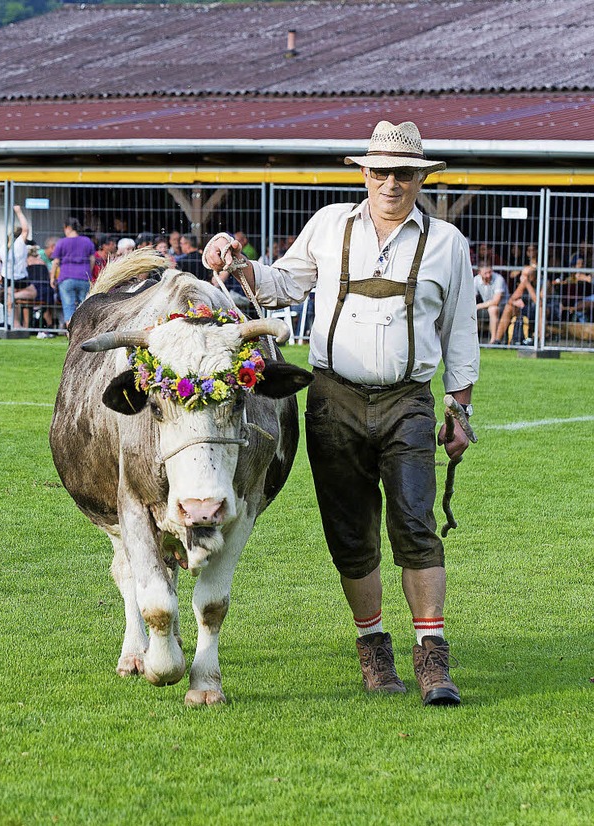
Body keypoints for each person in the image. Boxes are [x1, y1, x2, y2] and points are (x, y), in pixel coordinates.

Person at [203, 120, 479, 706]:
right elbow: (282, 284)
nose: (391, 183)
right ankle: (374, 647)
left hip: (409, 401)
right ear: (364, 173)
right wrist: (240, 260)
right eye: (380, 171)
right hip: (333, 399)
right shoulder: (330, 226)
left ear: (420, 178)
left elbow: (459, 328)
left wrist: (459, 406)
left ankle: (433, 658)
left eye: (403, 173)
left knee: (415, 524)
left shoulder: (447, 243)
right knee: (351, 534)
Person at [50, 217, 95, 328]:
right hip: (84, 276)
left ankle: (70, 333)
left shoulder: (61, 242)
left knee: (68, 306)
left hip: (66, 277)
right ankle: (84, 331)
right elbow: (92, 259)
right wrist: (88, 272)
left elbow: (55, 262)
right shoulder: (87, 241)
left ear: (68, 228)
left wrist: (52, 278)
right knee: (84, 306)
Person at [0, 204, 31, 326]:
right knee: (33, 293)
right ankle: (17, 323)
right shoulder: (19, 243)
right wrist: (19, 212)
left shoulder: (4, 246)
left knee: (12, 300)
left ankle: (16, 324)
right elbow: (26, 229)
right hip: (18, 277)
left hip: (8, 277)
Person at [494, 265, 537, 345]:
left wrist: (527, 284)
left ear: (533, 276)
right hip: (524, 309)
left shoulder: (542, 283)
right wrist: (515, 303)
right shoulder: (522, 284)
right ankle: (497, 340)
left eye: (526, 275)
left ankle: (539, 340)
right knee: (509, 307)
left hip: (538, 311)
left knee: (540, 310)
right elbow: (511, 300)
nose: (523, 278)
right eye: (522, 275)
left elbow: (539, 303)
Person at [474, 262, 509, 344]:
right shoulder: (476, 279)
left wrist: (478, 306)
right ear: (479, 273)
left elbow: (496, 301)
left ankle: (493, 340)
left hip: (503, 306)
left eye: (490, 272)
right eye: (485, 273)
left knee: (493, 309)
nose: (488, 275)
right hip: (486, 305)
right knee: (469, 310)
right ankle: (471, 340)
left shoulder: (498, 279)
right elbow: (471, 298)